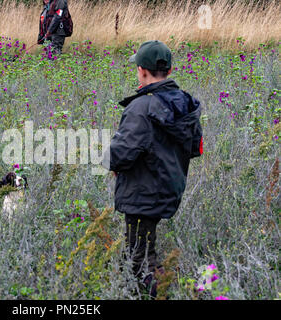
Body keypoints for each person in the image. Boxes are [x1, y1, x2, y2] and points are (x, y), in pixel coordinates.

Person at [104, 40, 203, 297]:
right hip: (168, 189)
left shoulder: (141, 107)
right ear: (169, 71)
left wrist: (107, 159)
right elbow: (195, 148)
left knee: (137, 260)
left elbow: (119, 155)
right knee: (144, 247)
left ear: (142, 71)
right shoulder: (186, 103)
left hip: (141, 193)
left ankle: (164, 292)